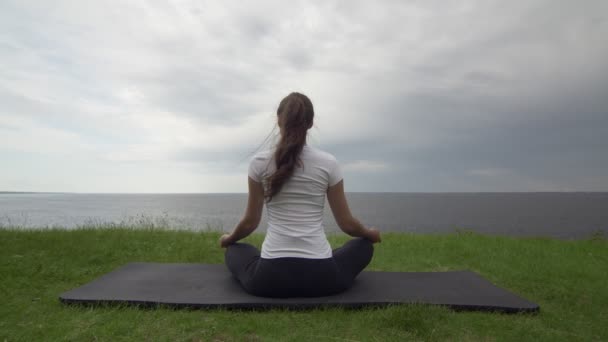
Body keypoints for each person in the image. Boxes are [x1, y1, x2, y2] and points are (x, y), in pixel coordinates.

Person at [220, 92, 381, 298]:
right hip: (323, 278)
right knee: (363, 246)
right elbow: (347, 224)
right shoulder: (328, 163)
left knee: (235, 250)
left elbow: (250, 223)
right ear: (311, 123)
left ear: (279, 120)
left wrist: (228, 238)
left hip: (268, 279)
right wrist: (370, 234)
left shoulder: (259, 163)